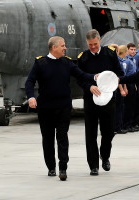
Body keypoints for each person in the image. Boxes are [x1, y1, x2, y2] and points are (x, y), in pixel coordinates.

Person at [25, 36, 94, 181]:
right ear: (53, 47)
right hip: (45, 108)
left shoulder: (67, 62)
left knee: (62, 137)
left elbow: (81, 75)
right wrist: (31, 97)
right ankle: (51, 167)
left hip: (63, 106)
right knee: (48, 138)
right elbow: (30, 81)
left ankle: (63, 168)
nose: (65, 48)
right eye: (62, 46)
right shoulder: (40, 63)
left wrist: (96, 77)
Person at [77, 29, 124, 176]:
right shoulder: (83, 58)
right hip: (91, 99)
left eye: (95, 44)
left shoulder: (110, 54)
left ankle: (105, 155)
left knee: (108, 132)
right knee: (90, 133)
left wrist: (113, 83)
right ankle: (93, 165)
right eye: (90, 45)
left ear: (99, 41)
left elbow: (120, 73)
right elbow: (79, 79)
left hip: (109, 99)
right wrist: (89, 86)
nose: (93, 47)